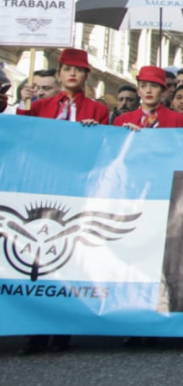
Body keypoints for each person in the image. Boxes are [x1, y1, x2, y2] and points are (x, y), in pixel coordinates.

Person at [15, 48, 107, 355]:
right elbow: (21, 137)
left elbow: (105, 149)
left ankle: (64, 328)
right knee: (38, 259)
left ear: (85, 76)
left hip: (79, 190)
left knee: (71, 258)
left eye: (78, 70)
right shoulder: (39, 104)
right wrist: (24, 105)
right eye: (67, 68)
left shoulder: (97, 109)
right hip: (43, 187)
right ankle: (35, 329)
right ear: (58, 72)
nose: (72, 74)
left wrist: (96, 133)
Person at [113, 67, 183, 129]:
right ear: (138, 91)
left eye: (154, 86)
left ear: (163, 90)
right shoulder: (121, 121)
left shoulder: (179, 120)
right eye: (143, 86)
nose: (148, 91)